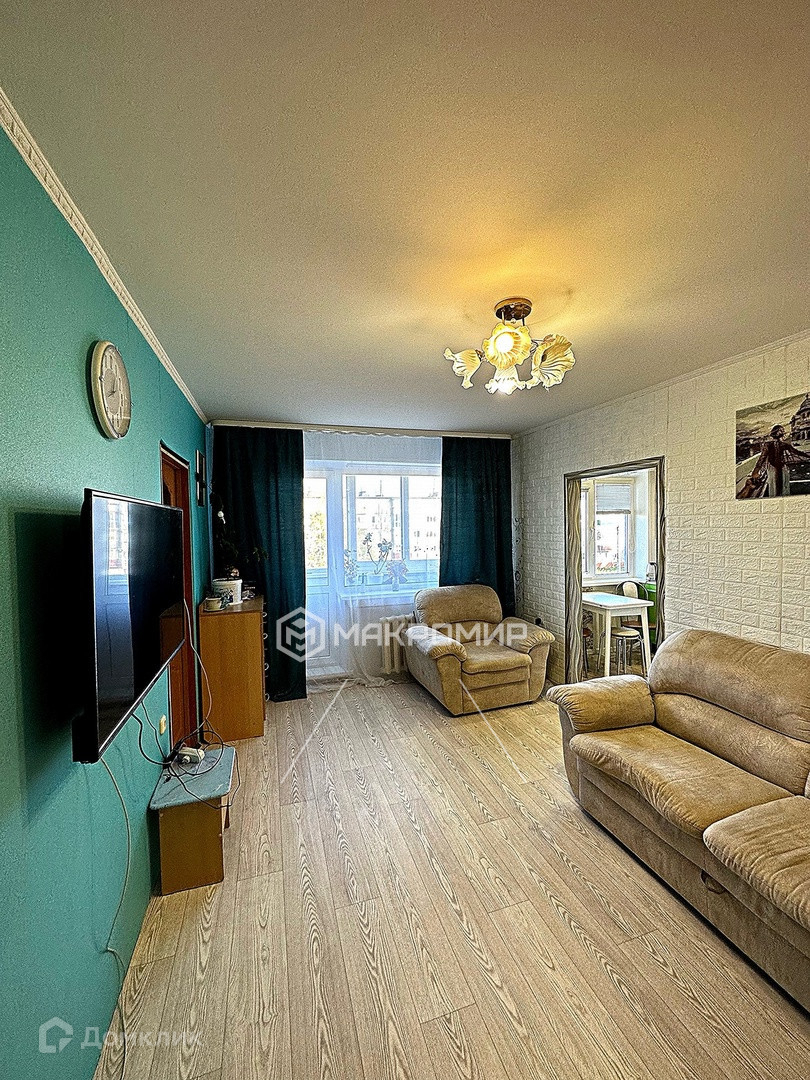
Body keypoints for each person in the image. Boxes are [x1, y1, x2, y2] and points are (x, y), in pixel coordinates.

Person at [740, 425, 810, 498]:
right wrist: (756, 470)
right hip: (774, 468)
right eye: (781, 430)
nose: (783, 431)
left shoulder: (781, 444)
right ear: (776, 432)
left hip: (778, 468)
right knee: (778, 487)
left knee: (779, 487)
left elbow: (796, 452)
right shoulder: (772, 445)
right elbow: (762, 458)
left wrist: (807, 456)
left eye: (782, 430)